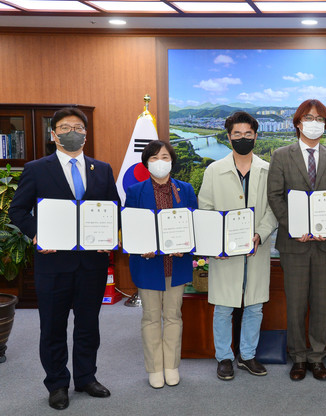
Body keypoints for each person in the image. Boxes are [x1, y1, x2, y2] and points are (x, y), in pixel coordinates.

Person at [9, 107, 119, 410]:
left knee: (88, 325)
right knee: (53, 326)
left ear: (86, 134)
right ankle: (57, 384)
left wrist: (110, 236)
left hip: (92, 263)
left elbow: (114, 209)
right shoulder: (36, 168)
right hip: (53, 262)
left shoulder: (102, 169)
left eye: (78, 127)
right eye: (65, 127)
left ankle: (86, 377)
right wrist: (37, 234)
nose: (73, 132)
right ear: (54, 134)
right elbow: (17, 210)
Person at [267, 99, 326, 381]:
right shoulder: (281, 155)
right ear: (298, 123)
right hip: (294, 243)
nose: (314, 123)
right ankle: (298, 357)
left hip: (325, 243)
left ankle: (317, 358)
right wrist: (296, 226)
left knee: (321, 303)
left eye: (320, 119)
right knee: (296, 304)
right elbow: (275, 196)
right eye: (309, 118)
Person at [198, 111, 278, 381]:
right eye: (237, 134)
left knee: (255, 305)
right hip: (225, 252)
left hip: (256, 248)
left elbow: (274, 209)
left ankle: (247, 355)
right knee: (223, 306)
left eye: (248, 134)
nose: (243, 138)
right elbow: (206, 209)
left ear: (255, 136)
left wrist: (260, 234)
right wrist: (216, 243)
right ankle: (224, 358)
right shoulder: (214, 170)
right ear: (228, 136)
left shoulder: (268, 169)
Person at [125, 140, 198, 389]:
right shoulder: (135, 191)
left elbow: (194, 224)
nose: (160, 162)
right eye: (154, 158)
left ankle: (171, 366)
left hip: (176, 264)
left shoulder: (185, 189)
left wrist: (186, 244)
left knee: (174, 316)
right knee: (151, 317)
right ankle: (155, 367)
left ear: (172, 161)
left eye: (165, 157)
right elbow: (131, 226)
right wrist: (139, 245)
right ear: (146, 163)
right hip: (148, 264)